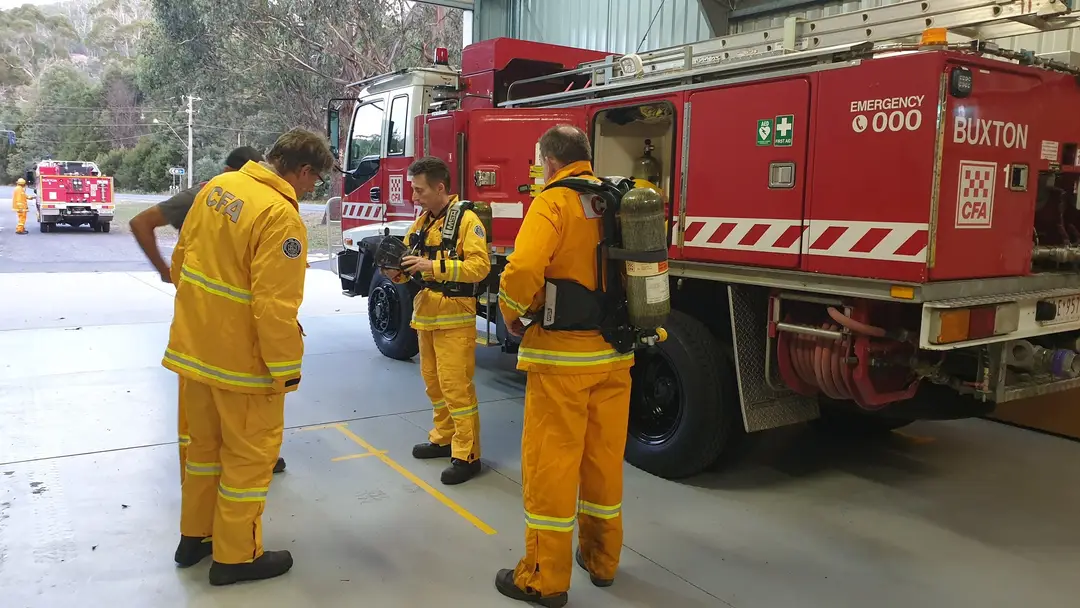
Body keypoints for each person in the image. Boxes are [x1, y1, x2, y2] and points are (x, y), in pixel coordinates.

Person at [164, 128, 333, 585]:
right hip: (241, 367)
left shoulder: (218, 188)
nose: (312, 189)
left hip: (193, 351)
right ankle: (236, 556)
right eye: (315, 180)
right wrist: (286, 371)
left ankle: (195, 537)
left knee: (203, 452)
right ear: (302, 170)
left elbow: (180, 261)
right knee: (247, 460)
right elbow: (275, 307)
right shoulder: (280, 215)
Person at [494, 125, 637, 607]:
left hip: (563, 361)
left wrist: (510, 313)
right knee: (603, 463)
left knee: (550, 467)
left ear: (550, 162)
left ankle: (543, 578)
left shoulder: (553, 202)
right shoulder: (615, 199)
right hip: (615, 356)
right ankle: (602, 559)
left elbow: (523, 268)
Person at [129, 147, 288, 482]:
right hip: (208, 324)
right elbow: (141, 222)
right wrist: (166, 272)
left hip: (210, 324)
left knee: (221, 408)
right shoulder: (205, 192)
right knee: (208, 408)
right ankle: (218, 462)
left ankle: (227, 460)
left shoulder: (237, 198)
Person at [383, 156, 490, 485]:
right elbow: (408, 265)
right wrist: (394, 271)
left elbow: (479, 267)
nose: (413, 196)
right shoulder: (422, 223)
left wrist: (433, 267)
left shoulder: (466, 221)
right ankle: (444, 438)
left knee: (457, 388)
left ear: (440, 187)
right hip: (427, 315)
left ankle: (467, 454)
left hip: (455, 316)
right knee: (434, 384)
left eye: (419, 190)